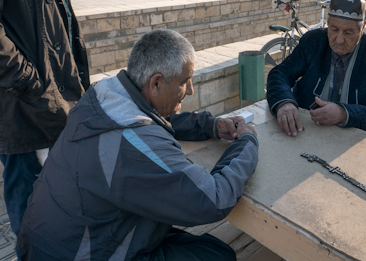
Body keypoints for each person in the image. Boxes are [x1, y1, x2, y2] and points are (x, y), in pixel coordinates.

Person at [18, 29, 259, 260]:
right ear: (155, 83)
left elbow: (150, 115)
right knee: (218, 255)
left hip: (50, 241)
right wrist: (246, 142)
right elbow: (212, 199)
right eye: (185, 81)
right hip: (84, 252)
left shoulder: (103, 98)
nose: (190, 91)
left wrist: (210, 125)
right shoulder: (135, 142)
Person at [0, 0, 89, 243]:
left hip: (54, 95)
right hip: (23, 107)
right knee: (32, 209)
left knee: (58, 202)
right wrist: (35, 86)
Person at [267, 0, 366, 137]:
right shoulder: (313, 41)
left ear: (362, 28)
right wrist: (284, 103)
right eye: (334, 30)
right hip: (305, 131)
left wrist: (344, 114)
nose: (339, 40)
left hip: (352, 141)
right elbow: (280, 73)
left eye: (348, 32)